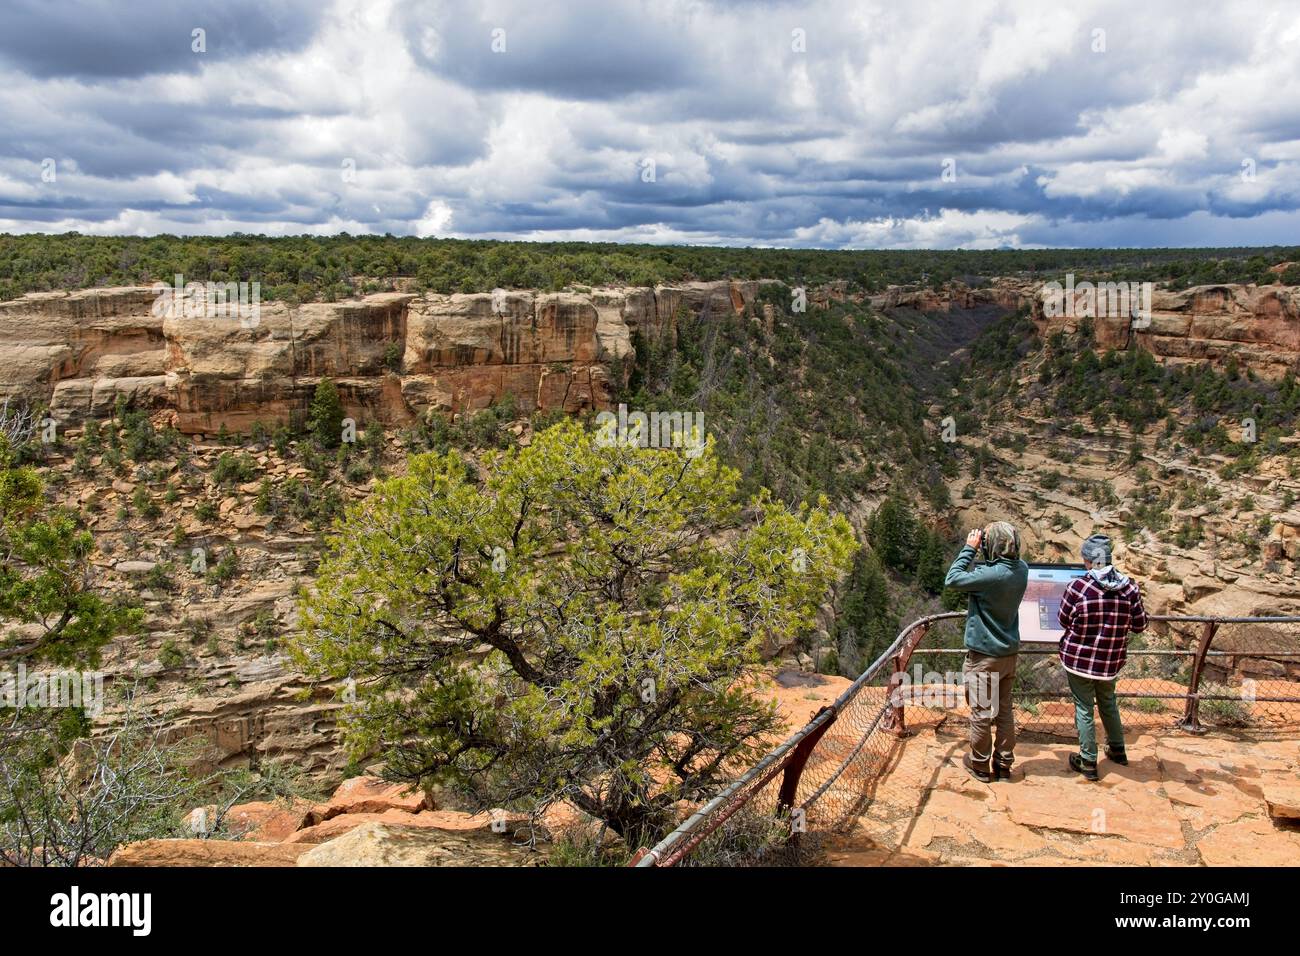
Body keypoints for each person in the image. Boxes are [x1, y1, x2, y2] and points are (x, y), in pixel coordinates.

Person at [1057, 534, 1148, 781]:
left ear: (1087, 559)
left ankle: (1088, 760)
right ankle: (1118, 750)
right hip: (1110, 660)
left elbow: (1063, 619)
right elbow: (1140, 625)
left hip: (1079, 659)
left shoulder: (1078, 587)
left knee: (1084, 707)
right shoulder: (1129, 587)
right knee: (1108, 701)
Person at [944, 521, 1028, 783]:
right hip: (1008, 654)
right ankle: (1003, 762)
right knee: (1004, 710)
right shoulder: (1021, 569)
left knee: (981, 712)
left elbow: (953, 579)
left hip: (984, 656)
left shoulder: (991, 576)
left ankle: (980, 764)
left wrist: (969, 549)